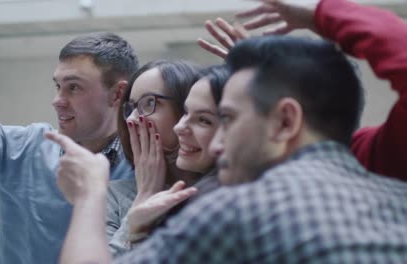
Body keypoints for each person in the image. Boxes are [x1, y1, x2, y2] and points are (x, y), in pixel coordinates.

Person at [46, 1, 407, 263]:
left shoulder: (235, 209)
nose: (219, 142)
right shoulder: (391, 194)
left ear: (285, 121)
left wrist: (90, 195)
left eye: (224, 119)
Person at [0, 32, 138, 263]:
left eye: (73, 87)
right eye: (58, 86)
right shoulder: (21, 149)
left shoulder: (146, 166)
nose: (57, 100)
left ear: (118, 94)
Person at [198, 0, 407, 181]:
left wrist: (321, 13)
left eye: (228, 118)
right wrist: (251, 76)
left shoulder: (370, 158)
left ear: (288, 118)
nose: (216, 145)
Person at [107, 65, 228, 257]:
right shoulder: (114, 194)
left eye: (149, 103)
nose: (132, 118)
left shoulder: (231, 190)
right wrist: (144, 198)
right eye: (130, 107)